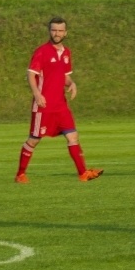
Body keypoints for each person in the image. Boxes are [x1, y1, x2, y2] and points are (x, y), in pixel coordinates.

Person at [15, 17, 103, 183]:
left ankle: (83, 173)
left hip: (60, 105)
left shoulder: (67, 53)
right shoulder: (42, 51)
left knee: (73, 136)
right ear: (49, 31)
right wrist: (37, 94)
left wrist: (72, 83)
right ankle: (20, 174)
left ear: (65, 33)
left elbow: (64, 76)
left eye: (60, 30)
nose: (57, 33)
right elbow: (31, 74)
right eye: (54, 30)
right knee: (34, 140)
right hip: (43, 105)